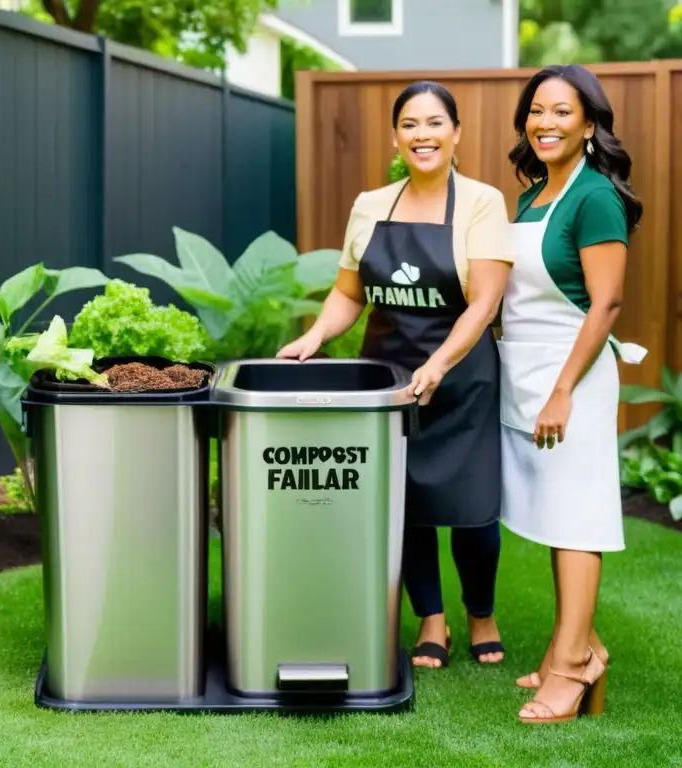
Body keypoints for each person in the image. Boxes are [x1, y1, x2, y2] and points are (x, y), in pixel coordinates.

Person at [276, 81, 514, 670]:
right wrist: (314, 337)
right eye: (410, 124)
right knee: (403, 503)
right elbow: (348, 292)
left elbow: (484, 303)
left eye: (435, 123)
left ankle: (480, 613)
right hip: (386, 375)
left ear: (456, 133)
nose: (422, 135)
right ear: (395, 136)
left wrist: (436, 366)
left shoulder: (483, 202)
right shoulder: (370, 204)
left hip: (461, 375)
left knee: (474, 507)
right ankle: (432, 619)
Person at [496, 64, 647, 724]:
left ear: (589, 124)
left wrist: (562, 390)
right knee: (552, 518)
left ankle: (573, 669)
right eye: (537, 110)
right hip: (523, 376)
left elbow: (607, 301)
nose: (546, 122)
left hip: (574, 381)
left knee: (576, 520)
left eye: (562, 111)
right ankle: (577, 646)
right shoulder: (529, 198)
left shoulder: (594, 198)